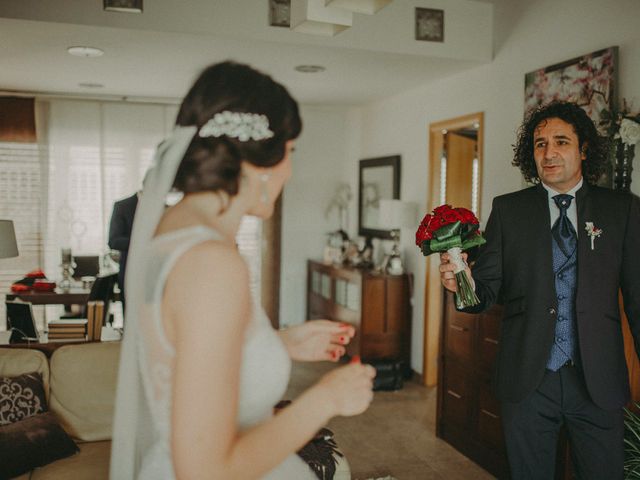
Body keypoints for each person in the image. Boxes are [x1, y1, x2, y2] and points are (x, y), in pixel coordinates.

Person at [110, 61, 376, 480]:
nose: (290, 168)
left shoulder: (172, 230)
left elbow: (182, 350)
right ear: (258, 162)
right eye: (290, 152)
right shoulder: (211, 261)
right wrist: (326, 397)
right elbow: (205, 470)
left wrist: (276, 343)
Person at [439, 101, 640, 479]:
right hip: (528, 377)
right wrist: (460, 284)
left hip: (597, 379)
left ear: (583, 150)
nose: (548, 152)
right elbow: (486, 291)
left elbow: (638, 297)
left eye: (561, 141)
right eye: (539, 143)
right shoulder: (509, 210)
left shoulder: (621, 211)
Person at [108, 191, 138, 311]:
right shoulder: (123, 206)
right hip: (130, 273)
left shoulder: (164, 207)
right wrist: (141, 242)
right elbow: (113, 241)